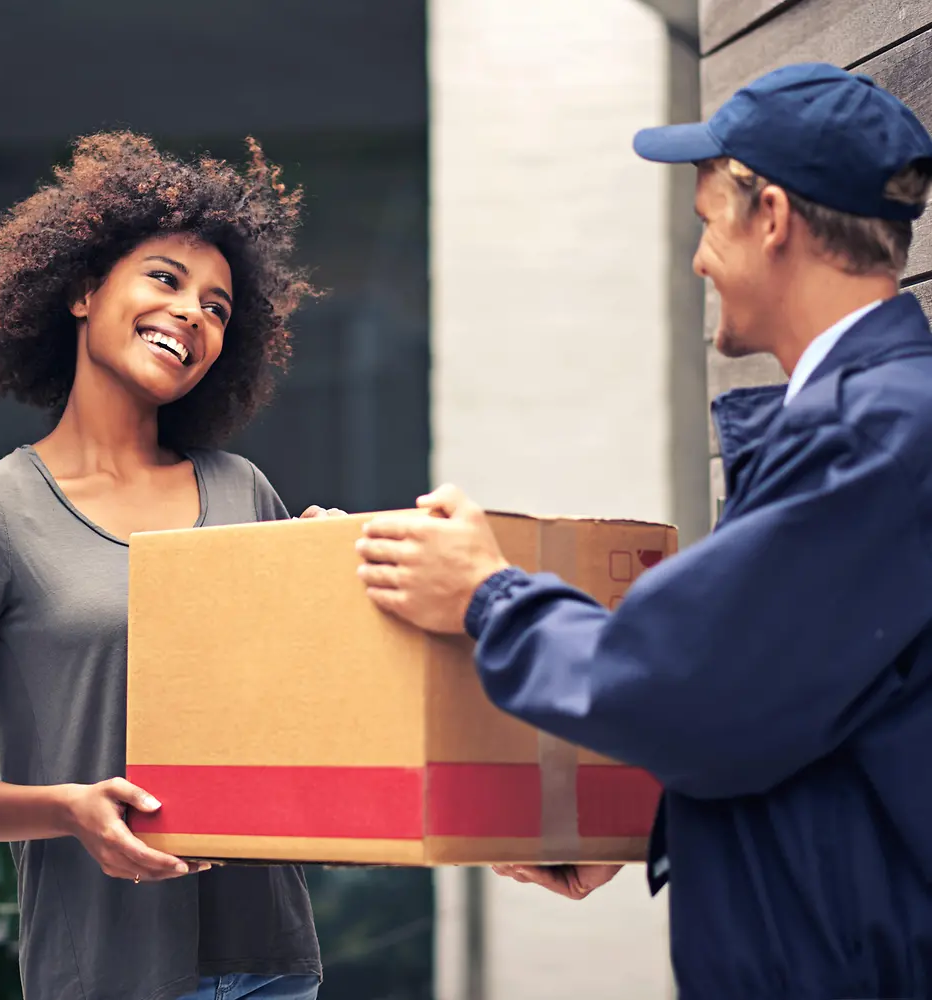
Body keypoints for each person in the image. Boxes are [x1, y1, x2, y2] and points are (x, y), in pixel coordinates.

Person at [356, 63, 932, 996]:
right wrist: (646, 822)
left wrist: (487, 594)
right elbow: (786, 707)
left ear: (773, 218)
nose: (699, 259)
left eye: (708, 223)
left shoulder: (869, 436)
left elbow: (682, 685)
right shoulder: (874, 423)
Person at [0, 132, 342, 1000]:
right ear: (84, 290)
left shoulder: (242, 490)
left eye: (220, 308)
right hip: (106, 973)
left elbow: (288, 715)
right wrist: (67, 811)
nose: (194, 313)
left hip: (272, 964)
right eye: (166, 278)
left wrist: (329, 588)